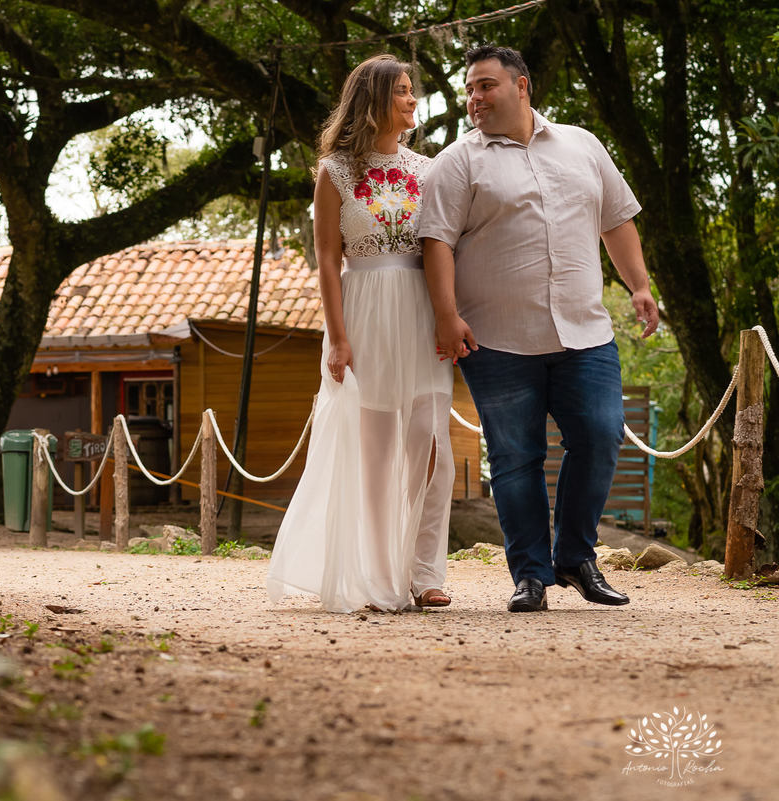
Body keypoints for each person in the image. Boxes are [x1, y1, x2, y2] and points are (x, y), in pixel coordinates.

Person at [418, 46, 660, 613]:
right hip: (496, 339)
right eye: (469, 89)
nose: (474, 98)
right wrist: (446, 316)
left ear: (522, 86)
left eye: (485, 86)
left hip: (586, 333)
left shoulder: (582, 145)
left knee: (601, 437)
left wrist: (640, 285)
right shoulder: (457, 162)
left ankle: (575, 557)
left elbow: (617, 221)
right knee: (515, 458)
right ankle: (530, 575)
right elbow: (437, 242)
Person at [267, 55, 455, 613]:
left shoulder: (429, 170)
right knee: (375, 455)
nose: (412, 101)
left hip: (420, 313)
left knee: (432, 449)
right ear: (373, 100)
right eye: (401, 91)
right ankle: (378, 577)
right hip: (364, 311)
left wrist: (449, 314)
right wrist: (338, 337)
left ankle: (425, 573)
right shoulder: (335, 173)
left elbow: (442, 249)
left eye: (411, 91)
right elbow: (327, 260)